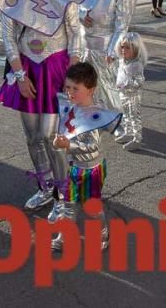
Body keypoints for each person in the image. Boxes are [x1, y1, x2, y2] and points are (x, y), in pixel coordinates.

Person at [0, 0, 90, 220]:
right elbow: (8, 35)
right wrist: (19, 75)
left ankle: (63, 197)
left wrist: (74, 73)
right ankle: (45, 186)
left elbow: (76, 33)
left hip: (58, 69)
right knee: (33, 137)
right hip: (27, 69)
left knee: (51, 137)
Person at [49, 62, 121, 252]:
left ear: (91, 90)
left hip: (91, 170)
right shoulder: (70, 107)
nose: (70, 92)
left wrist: (68, 145)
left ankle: (103, 233)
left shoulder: (94, 115)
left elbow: (92, 145)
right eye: (68, 87)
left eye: (75, 88)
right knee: (68, 203)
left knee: (93, 208)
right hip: (73, 166)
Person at [79, 0, 131, 111]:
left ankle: (117, 121)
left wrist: (113, 49)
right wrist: (81, 15)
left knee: (110, 87)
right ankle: (90, 119)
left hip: (106, 43)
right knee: (84, 86)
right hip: (83, 43)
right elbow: (71, 5)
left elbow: (122, 22)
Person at [113, 32, 147, 150]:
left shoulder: (136, 65)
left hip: (133, 95)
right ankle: (128, 133)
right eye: (122, 47)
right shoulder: (123, 61)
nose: (123, 50)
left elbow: (139, 82)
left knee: (134, 116)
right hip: (123, 94)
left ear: (136, 49)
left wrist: (125, 85)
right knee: (125, 114)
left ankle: (137, 138)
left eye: (127, 47)